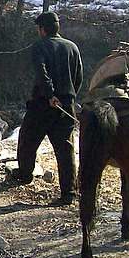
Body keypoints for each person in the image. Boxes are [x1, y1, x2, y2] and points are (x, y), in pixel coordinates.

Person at [13, 11, 83, 206]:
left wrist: (50, 94)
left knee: (27, 139)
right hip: (66, 106)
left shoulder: (40, 46)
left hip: (43, 104)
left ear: (42, 29)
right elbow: (78, 77)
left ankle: (25, 175)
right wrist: (67, 97)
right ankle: (69, 193)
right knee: (65, 149)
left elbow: (41, 71)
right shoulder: (72, 47)